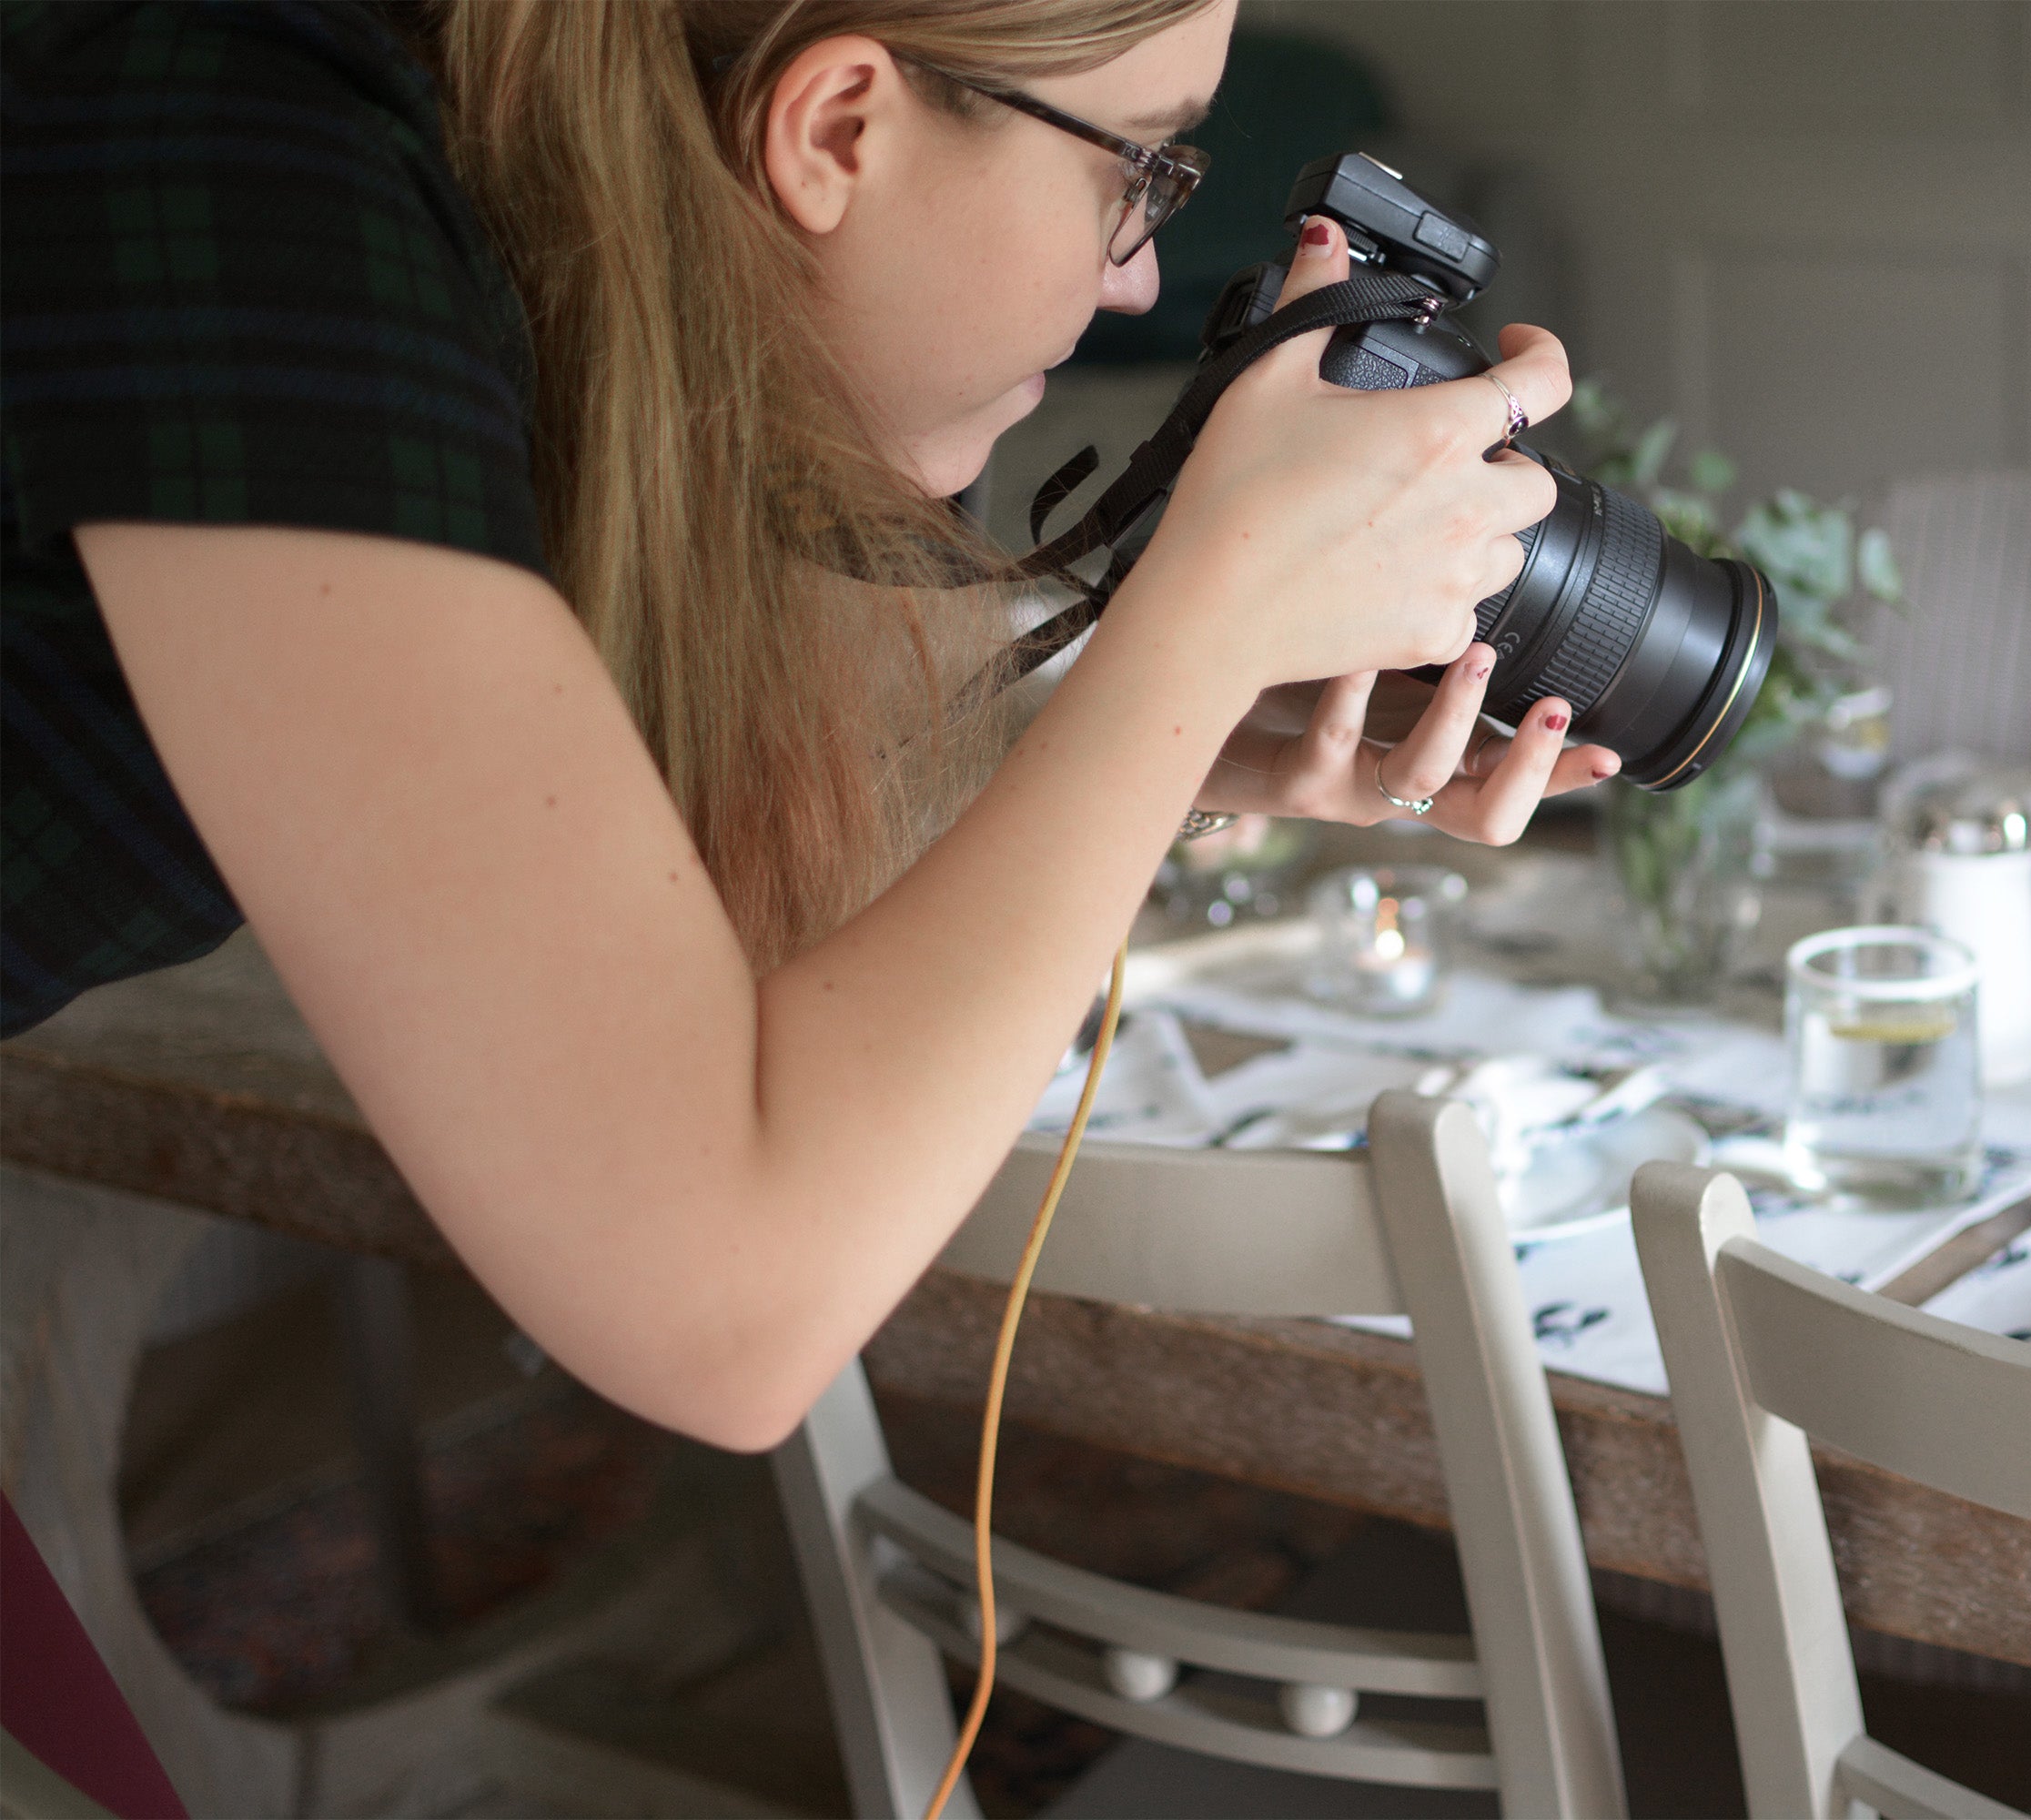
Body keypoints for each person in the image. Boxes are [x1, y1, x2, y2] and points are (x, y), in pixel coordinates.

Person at [1, 0, 1608, 1451]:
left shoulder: (528, 223)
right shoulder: (253, 172)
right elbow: (721, 1306)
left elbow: (593, 767)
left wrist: (1131, 713)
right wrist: (1190, 637)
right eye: (1146, 171)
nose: (1136, 273)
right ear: (836, 125)